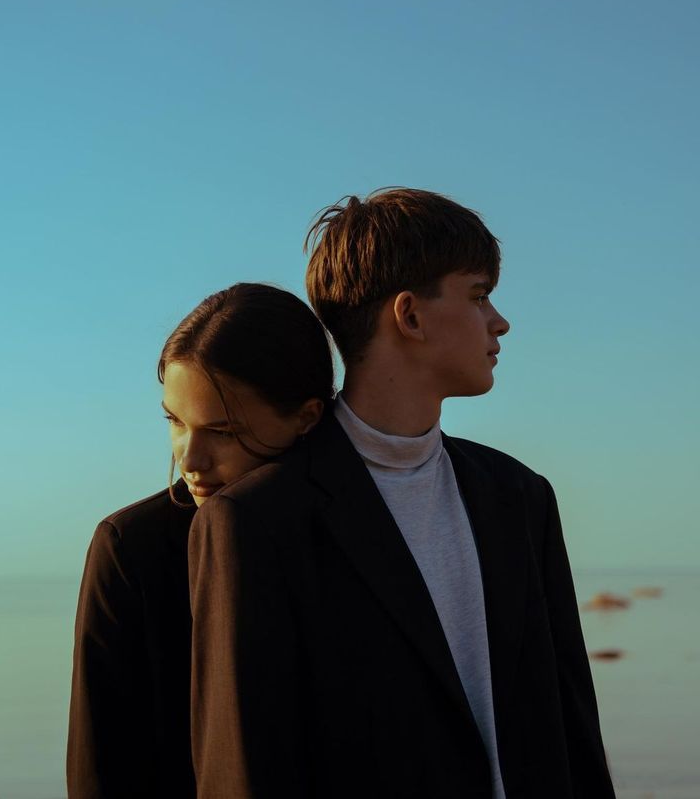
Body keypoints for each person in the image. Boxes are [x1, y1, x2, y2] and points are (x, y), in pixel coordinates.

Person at [188, 188, 616, 798]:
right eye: (477, 295)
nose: (500, 321)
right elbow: (245, 767)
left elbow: (573, 724)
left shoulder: (520, 496)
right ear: (410, 316)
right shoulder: (255, 520)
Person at [66, 283, 333, 798]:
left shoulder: (356, 532)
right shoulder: (130, 549)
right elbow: (100, 771)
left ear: (306, 416)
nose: (190, 459)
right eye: (175, 421)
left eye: (224, 431)